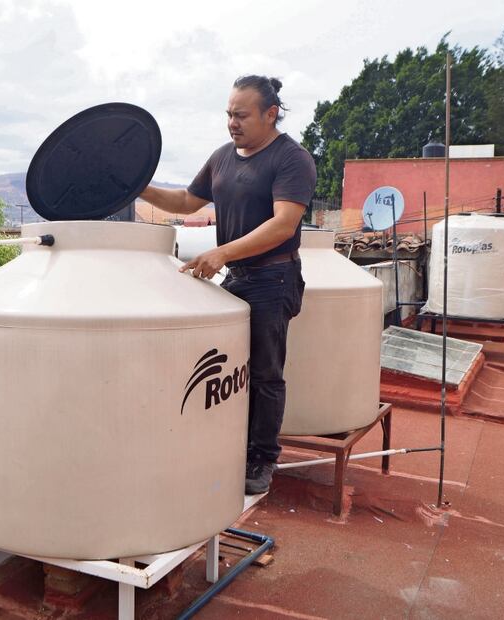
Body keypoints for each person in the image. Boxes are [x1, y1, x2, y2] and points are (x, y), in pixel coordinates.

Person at [139, 75, 317, 494]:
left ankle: (262, 460)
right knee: (227, 369)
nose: (232, 123)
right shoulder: (222, 157)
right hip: (239, 277)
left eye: (241, 115)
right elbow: (186, 201)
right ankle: (228, 444)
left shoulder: (291, 159)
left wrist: (222, 253)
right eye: (228, 114)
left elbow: (283, 225)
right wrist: (139, 189)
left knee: (265, 373)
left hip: (274, 277)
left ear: (270, 114)